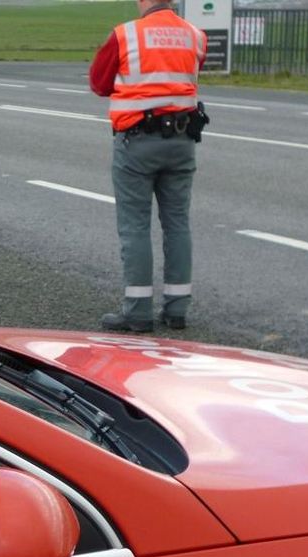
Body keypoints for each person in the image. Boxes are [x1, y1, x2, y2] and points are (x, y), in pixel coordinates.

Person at [89, 0, 208, 333]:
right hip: (183, 141)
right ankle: (177, 309)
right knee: (177, 223)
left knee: (135, 227)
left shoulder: (125, 35)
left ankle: (138, 312)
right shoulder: (195, 36)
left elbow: (99, 83)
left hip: (137, 143)